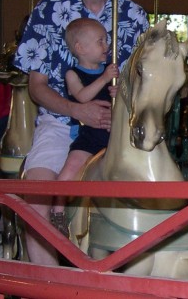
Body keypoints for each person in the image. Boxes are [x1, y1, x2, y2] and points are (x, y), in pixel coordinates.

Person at [12, 0, 149, 265]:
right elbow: (37, 86)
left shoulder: (133, 16)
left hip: (117, 126)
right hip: (61, 124)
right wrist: (77, 111)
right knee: (36, 201)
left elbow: (144, 81)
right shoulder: (48, 11)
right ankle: (49, 283)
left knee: (153, 196)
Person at [50, 18, 119, 236]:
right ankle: (58, 210)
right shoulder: (73, 74)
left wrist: (119, 92)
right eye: (100, 41)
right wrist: (105, 79)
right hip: (89, 137)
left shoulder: (110, 73)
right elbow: (81, 96)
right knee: (70, 167)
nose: (106, 46)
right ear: (80, 48)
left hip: (112, 135)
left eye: (106, 40)